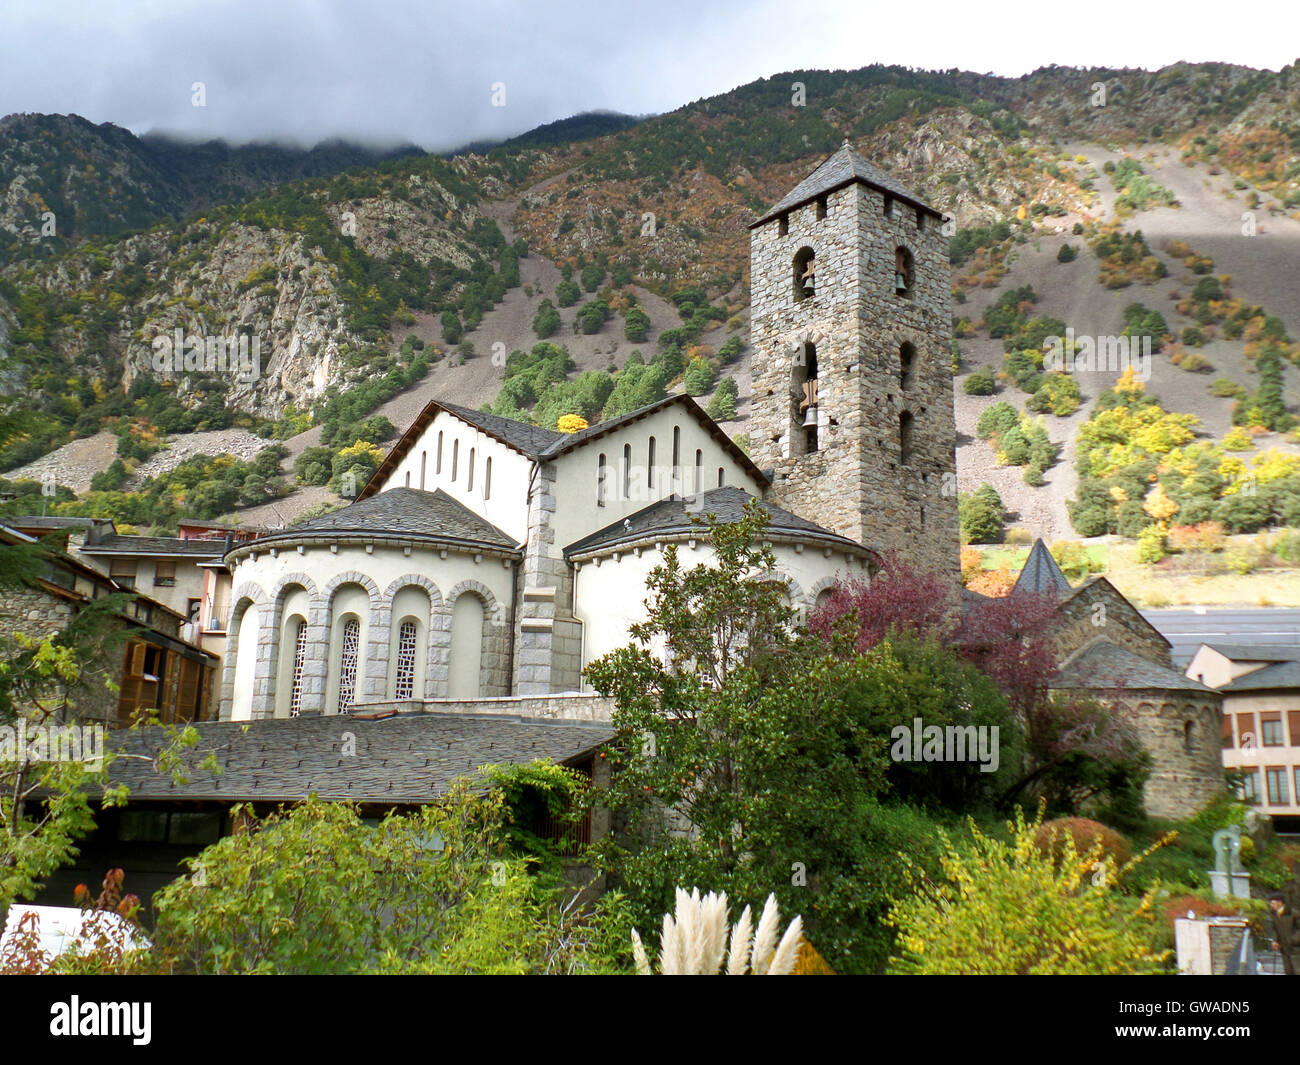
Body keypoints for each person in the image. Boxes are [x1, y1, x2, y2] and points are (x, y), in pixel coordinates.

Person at [1267, 892, 1300, 975]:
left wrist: (1293, 940)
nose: (1271, 905)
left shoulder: (1294, 914)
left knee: (1297, 970)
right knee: (1288, 971)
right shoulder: (1274, 914)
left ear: (1280, 902)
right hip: (1284, 949)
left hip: (1296, 949)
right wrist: (1275, 941)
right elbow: (1274, 929)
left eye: (1273, 903)